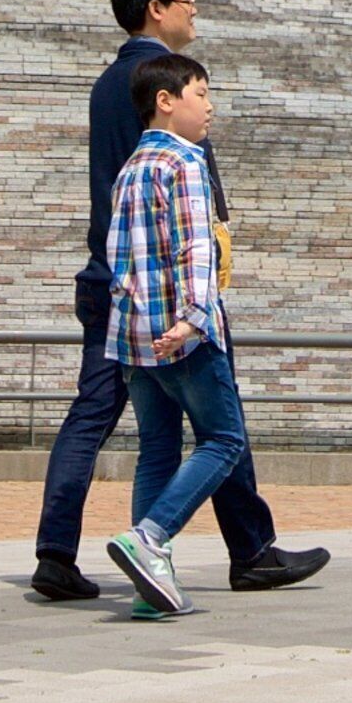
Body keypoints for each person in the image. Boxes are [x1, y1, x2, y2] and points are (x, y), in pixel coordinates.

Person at [30, 0, 324, 602]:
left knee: (108, 422)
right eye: (188, 1)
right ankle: (244, 548)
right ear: (157, 8)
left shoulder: (108, 82)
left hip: (112, 281)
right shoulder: (167, 89)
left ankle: (56, 552)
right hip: (169, 288)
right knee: (221, 422)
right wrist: (204, 294)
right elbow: (195, 210)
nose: (195, 12)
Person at [101, 52, 254, 618]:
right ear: (166, 101)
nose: (210, 107)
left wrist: (133, 328)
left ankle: (150, 584)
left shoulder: (130, 168)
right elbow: (196, 246)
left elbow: (120, 260)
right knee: (224, 441)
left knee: (158, 450)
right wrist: (194, 316)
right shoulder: (185, 162)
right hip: (184, 335)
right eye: (201, 94)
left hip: (135, 340)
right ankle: (152, 536)